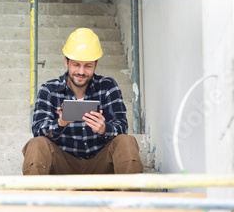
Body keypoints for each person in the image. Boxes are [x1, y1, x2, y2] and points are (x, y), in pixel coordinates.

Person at [22, 28, 143, 175]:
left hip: (100, 165)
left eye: (88, 66)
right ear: (66, 62)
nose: (81, 72)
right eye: (76, 64)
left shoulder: (107, 87)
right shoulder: (49, 89)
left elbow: (122, 127)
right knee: (36, 144)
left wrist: (104, 128)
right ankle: (35, 198)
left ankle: (127, 197)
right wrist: (60, 124)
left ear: (96, 65)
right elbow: (37, 130)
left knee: (126, 141)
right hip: (63, 165)